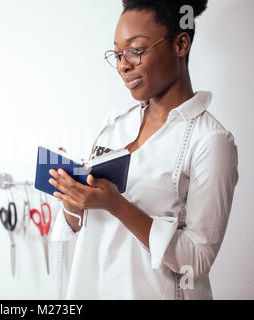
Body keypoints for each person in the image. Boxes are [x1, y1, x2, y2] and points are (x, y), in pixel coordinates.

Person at [49, 0, 239, 299]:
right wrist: (73, 200)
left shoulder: (211, 141)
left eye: (136, 51)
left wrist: (117, 204)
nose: (123, 65)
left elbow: (197, 260)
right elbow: (85, 226)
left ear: (180, 44)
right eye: (118, 53)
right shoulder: (115, 121)